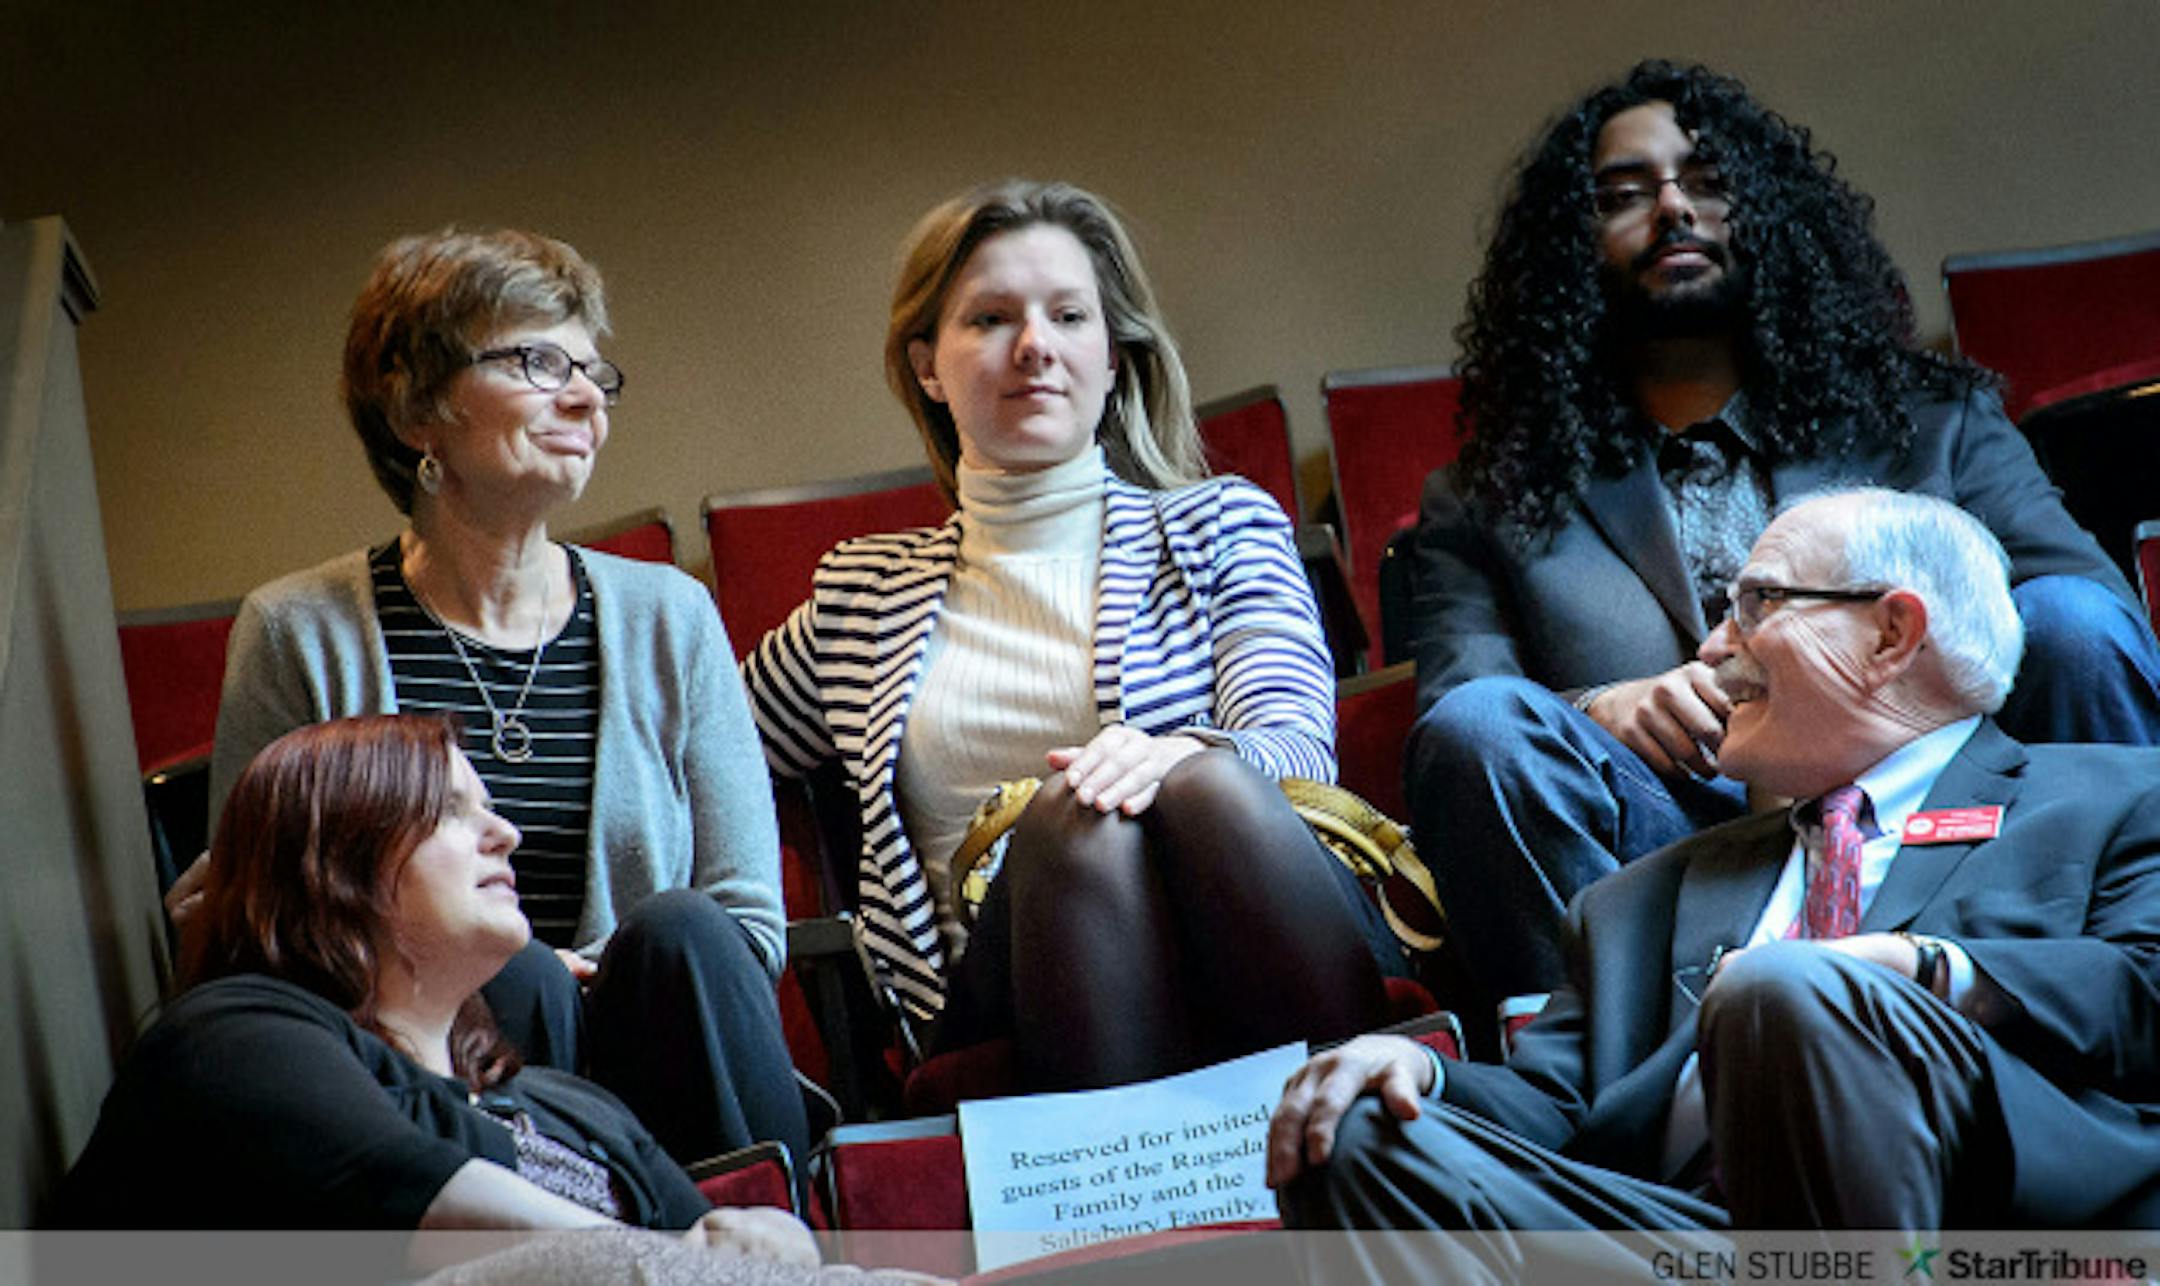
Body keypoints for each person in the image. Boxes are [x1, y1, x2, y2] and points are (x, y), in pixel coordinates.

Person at [1406, 60, 2160, 1005]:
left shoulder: (1930, 422)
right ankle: (1605, 1068)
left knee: (2071, 621)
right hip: (1671, 858)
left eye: (1707, 180)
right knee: (1479, 727)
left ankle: (2130, 973)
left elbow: (2092, 616)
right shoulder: (1486, 497)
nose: (1673, 208)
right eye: (1623, 195)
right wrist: (1601, 706)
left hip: (1945, 828)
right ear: (1567, 249)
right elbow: (1458, 705)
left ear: (1769, 213)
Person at [1270, 489, 2160, 1268]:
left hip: (1978, 1222)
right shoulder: (1633, 900)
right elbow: (1552, 1107)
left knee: (1786, 990)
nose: (1709, 647)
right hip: (1683, 1242)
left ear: (1892, 634)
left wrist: (1920, 970)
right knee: (1355, 1137)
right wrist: (1420, 1074)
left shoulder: (2116, 798)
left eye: (1757, 604)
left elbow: (2144, 988)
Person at [169, 228, 806, 1169]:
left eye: (592, 372)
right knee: (512, 973)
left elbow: (746, 922)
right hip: (432, 1076)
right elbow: (271, 929)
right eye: (537, 362)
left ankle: (761, 1228)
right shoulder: (297, 631)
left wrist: (593, 980)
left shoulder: (672, 616)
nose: (584, 398)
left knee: (684, 931)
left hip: (670, 1047)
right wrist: (513, 967)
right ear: (415, 410)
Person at [742, 179, 1394, 1091]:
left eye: (1069, 316)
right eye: (991, 318)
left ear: (1114, 355)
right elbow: (703, 750)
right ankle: (1153, 1166)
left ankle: (1360, 1128)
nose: (1036, 346)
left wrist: (1174, 757)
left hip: (1247, 927)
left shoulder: (1220, 525)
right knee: (1071, 814)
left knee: (1196, 782)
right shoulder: (864, 599)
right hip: (1011, 991)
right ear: (927, 367)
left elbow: (1295, 748)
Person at [58, 716, 815, 1270]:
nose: (505, 834)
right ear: (335, 861)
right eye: (451, 811)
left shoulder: (571, 1107)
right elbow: (419, 1199)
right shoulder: (230, 1037)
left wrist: (777, 1240)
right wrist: (687, 1260)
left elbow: (732, 1249)